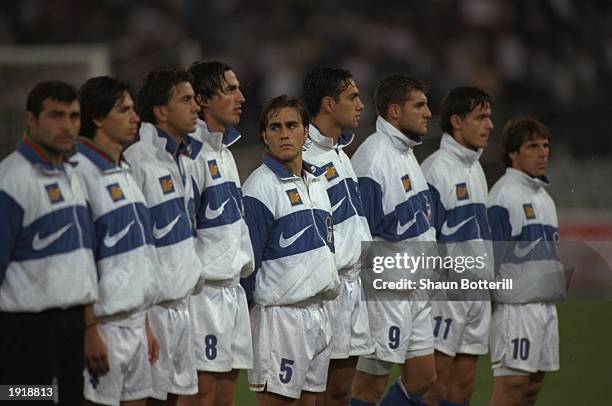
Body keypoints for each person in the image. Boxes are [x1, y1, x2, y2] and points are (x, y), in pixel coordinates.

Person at [0, 80, 97, 404]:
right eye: (56, 116)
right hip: (26, 331)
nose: (67, 126)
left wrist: (87, 326)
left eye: (73, 116)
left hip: (69, 327)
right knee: (26, 401)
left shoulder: (71, 174)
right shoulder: (12, 180)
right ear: (31, 120)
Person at [241, 95, 340, 405]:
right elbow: (248, 266)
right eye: (275, 127)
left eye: (292, 125)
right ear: (264, 136)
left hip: (318, 314)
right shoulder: (259, 188)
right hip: (279, 319)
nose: (284, 133)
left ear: (306, 131)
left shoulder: (318, 182)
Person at [75, 76, 163, 406]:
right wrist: (89, 330)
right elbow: (78, 260)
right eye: (123, 109)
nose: (135, 117)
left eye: (133, 109)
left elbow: (135, 256)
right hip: (103, 327)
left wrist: (144, 322)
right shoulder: (79, 172)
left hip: (134, 324)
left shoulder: (124, 169)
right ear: (97, 118)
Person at [350, 74, 436, 406]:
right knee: (368, 387)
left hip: (415, 289)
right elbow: (361, 233)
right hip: (385, 294)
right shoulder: (372, 159)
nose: (428, 112)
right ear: (394, 111)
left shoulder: (405, 152)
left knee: (424, 376)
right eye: (420, 105)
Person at [124, 68, 204, 405]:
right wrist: (141, 316)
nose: (196, 107)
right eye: (185, 100)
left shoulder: (180, 158)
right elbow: (134, 246)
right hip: (154, 307)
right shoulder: (137, 161)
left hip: (181, 304)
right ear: (160, 111)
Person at [182, 61, 254, 406]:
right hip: (203, 295)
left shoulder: (224, 151)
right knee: (201, 399)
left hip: (231, 292)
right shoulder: (190, 155)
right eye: (229, 90)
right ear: (203, 100)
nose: (241, 97)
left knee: (226, 399)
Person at [301, 66, 373, 406]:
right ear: (329, 104)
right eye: (353, 97)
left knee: (341, 392)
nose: (360, 104)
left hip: (354, 285)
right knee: (316, 394)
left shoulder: (340, 152)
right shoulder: (302, 155)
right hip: (328, 290)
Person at [420, 86, 494, 406]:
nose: (489, 125)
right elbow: (425, 238)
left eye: (489, 117)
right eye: (480, 117)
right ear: (456, 121)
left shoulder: (476, 167)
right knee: (433, 386)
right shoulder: (436, 170)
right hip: (446, 294)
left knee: (463, 389)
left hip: (477, 292)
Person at [488, 117, 562, 406]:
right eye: (533, 146)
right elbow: (492, 260)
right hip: (516, 310)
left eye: (545, 145)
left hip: (545, 309)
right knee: (511, 389)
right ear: (513, 153)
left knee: (531, 391)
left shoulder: (545, 197)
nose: (543, 152)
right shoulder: (504, 196)